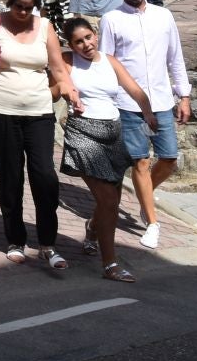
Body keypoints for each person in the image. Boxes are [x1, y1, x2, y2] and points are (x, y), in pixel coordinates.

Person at [0, 0, 76, 269]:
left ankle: (48, 242)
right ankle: (15, 239)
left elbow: (58, 68)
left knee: (45, 175)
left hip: (39, 109)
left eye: (29, 7)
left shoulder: (45, 26)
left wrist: (72, 92)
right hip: (1, 108)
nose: (24, 12)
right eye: (19, 6)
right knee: (10, 175)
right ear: (10, 3)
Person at [98, 0, 190, 251]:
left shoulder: (163, 16)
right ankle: (152, 223)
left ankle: (144, 193)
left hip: (161, 100)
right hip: (128, 103)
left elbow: (175, 58)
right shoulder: (111, 19)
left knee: (169, 158)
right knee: (140, 161)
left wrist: (184, 95)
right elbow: (105, 62)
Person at [60, 17, 156, 282]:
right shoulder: (67, 61)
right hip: (83, 134)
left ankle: (93, 228)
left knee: (110, 200)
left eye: (88, 37)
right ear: (71, 45)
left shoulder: (110, 61)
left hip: (113, 134)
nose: (86, 44)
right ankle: (110, 264)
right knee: (109, 201)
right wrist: (69, 94)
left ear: (95, 34)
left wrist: (148, 112)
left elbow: (135, 90)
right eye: (78, 42)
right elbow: (57, 86)